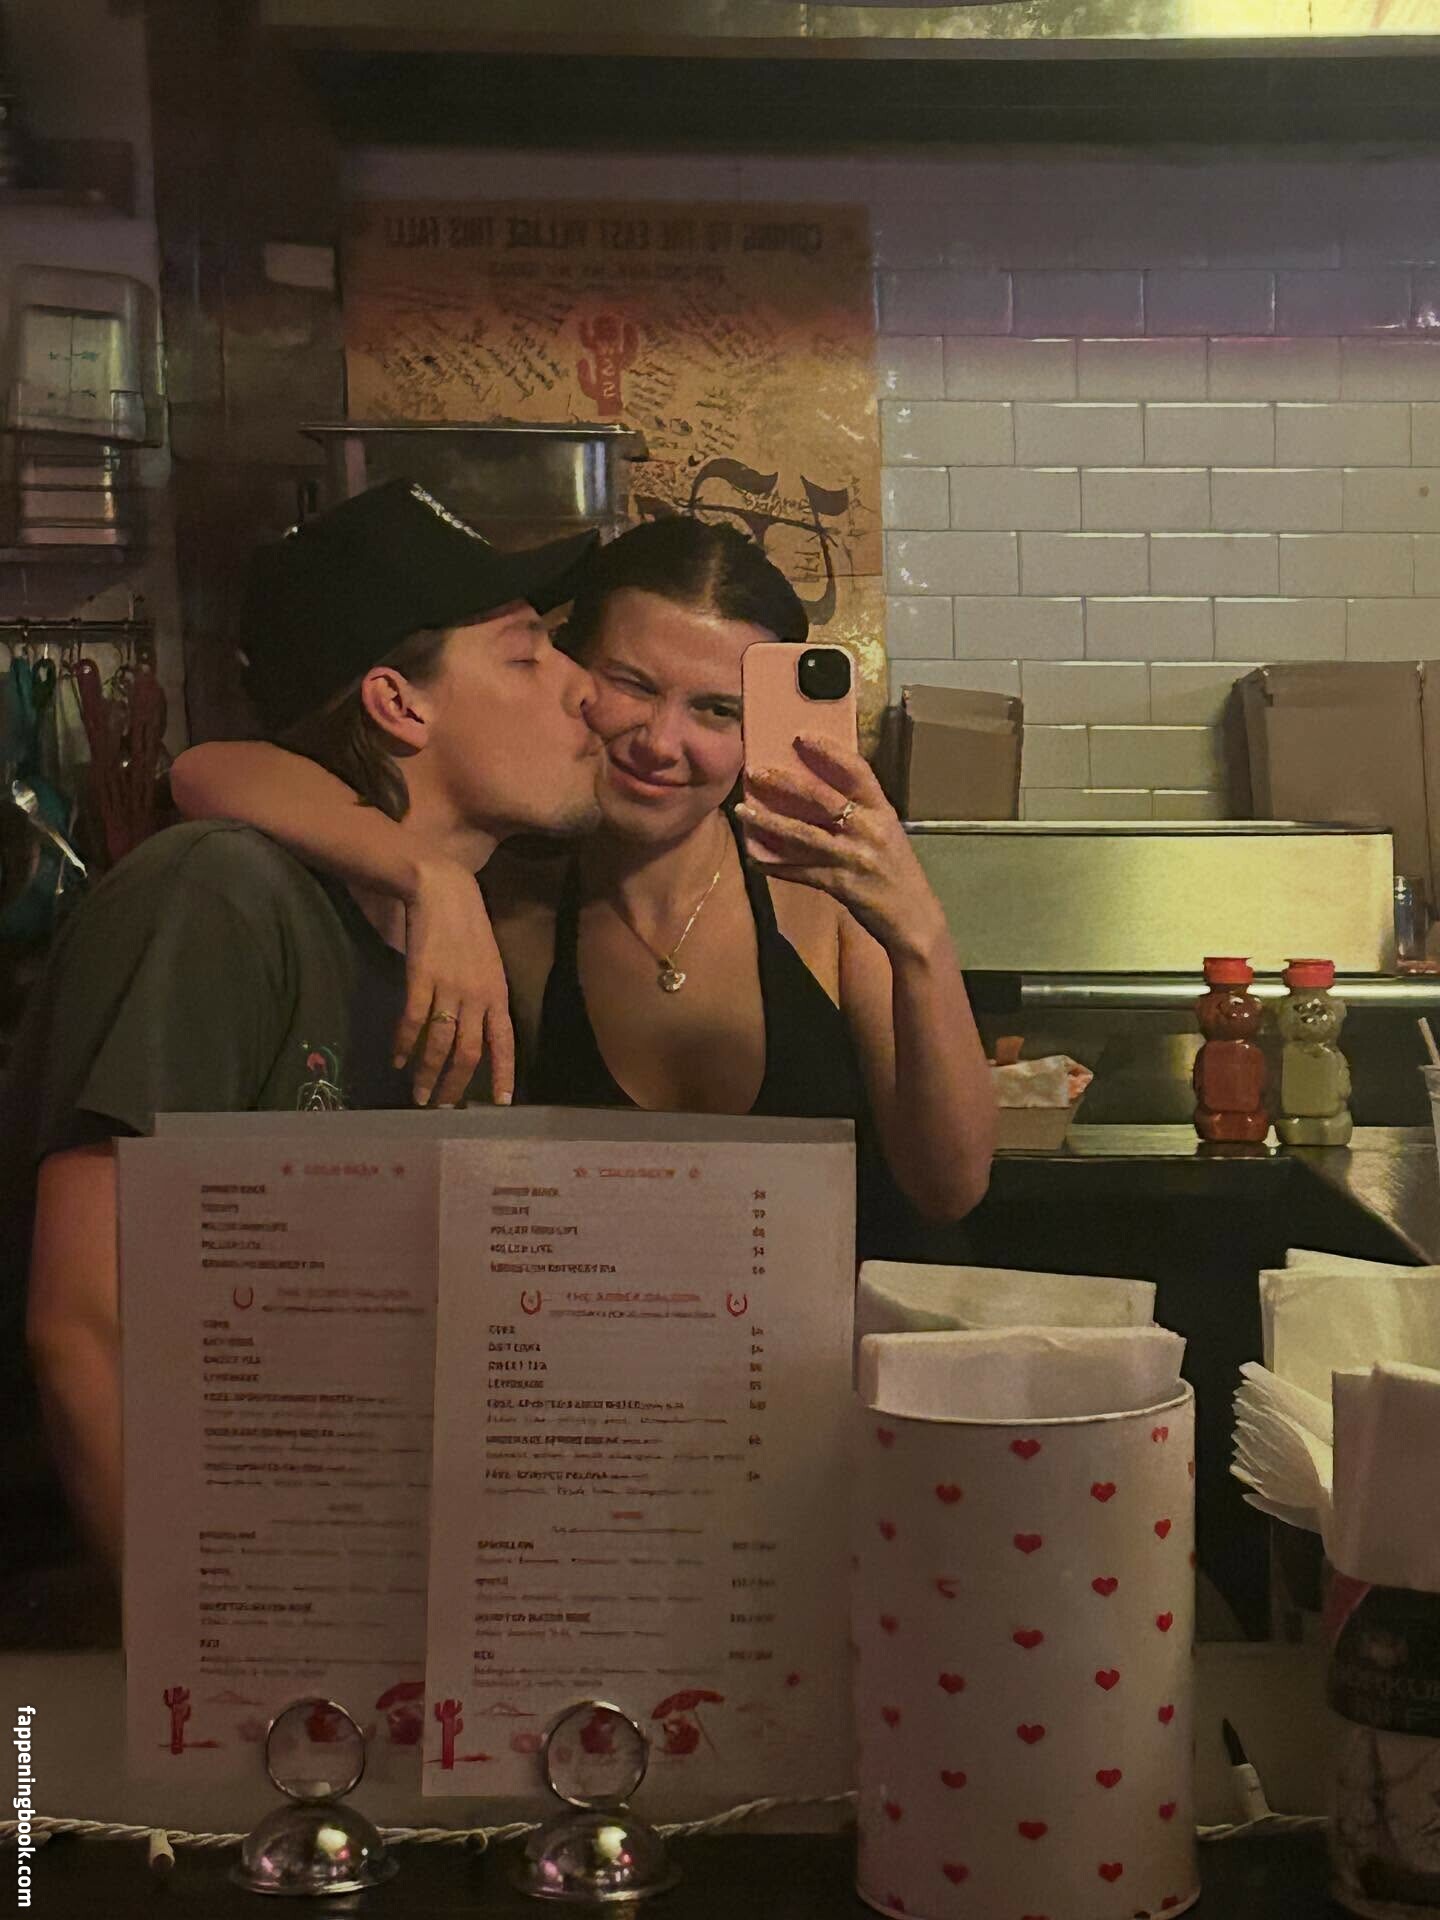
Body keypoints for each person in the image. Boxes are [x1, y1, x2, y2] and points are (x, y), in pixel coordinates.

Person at [1, 477, 603, 1578]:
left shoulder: (455, 963)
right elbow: (84, 1329)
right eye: (528, 657)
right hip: (92, 1620)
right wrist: (192, 1641)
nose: (586, 692)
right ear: (398, 704)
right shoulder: (217, 896)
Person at [170, 516, 995, 1252]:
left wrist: (920, 937)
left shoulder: (821, 890)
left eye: (717, 710)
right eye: (633, 685)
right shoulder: (506, 900)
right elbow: (209, 771)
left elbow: (949, 1189)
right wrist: (432, 879)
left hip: (857, 1354)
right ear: (571, 675)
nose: (660, 743)